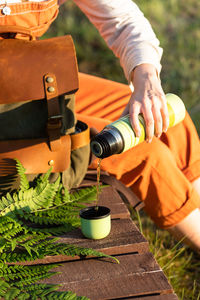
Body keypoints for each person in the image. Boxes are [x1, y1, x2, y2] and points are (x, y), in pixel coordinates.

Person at [0, 0, 200, 252]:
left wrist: (147, 78)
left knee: (166, 119)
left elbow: (122, 20)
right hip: (7, 112)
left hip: (28, 74)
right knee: (142, 154)